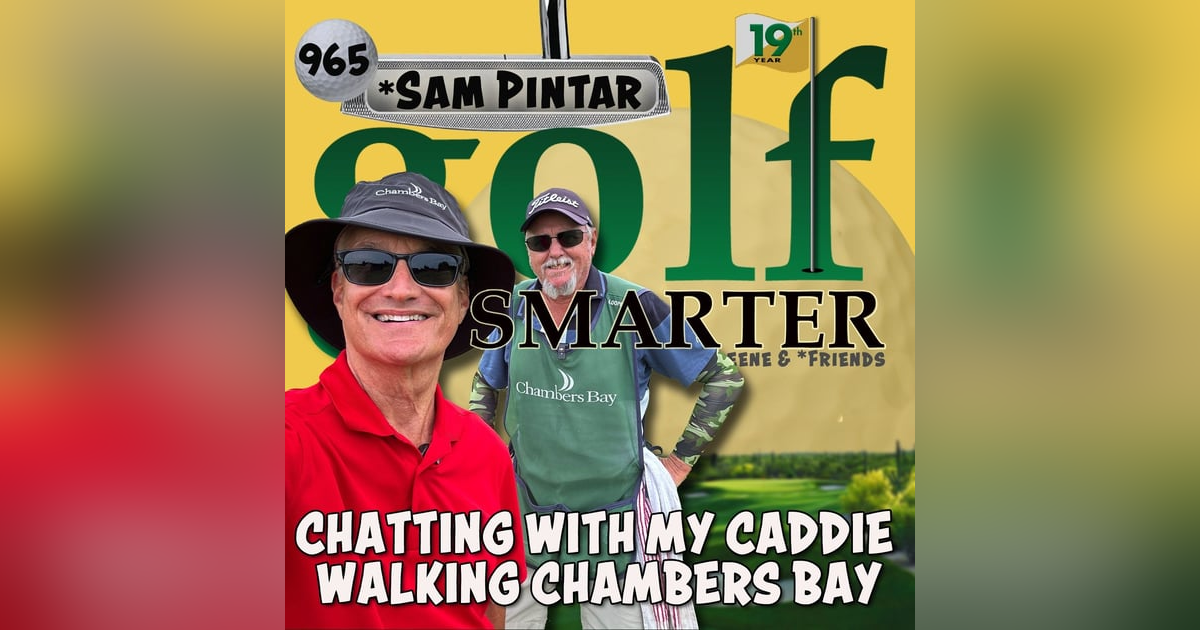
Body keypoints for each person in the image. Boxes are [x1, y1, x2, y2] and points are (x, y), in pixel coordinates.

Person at [469, 188, 745, 629]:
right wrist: (481, 459)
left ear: (591, 241)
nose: (555, 252)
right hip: (523, 513)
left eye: (568, 237)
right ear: (529, 252)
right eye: (540, 242)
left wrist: (679, 463)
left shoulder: (637, 307)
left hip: (612, 524)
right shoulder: (514, 305)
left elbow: (724, 378)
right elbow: (486, 382)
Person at [285, 172, 525, 629]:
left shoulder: (486, 451)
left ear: (461, 300)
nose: (399, 289)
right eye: (368, 265)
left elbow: (492, 613)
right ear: (339, 290)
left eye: (434, 267)